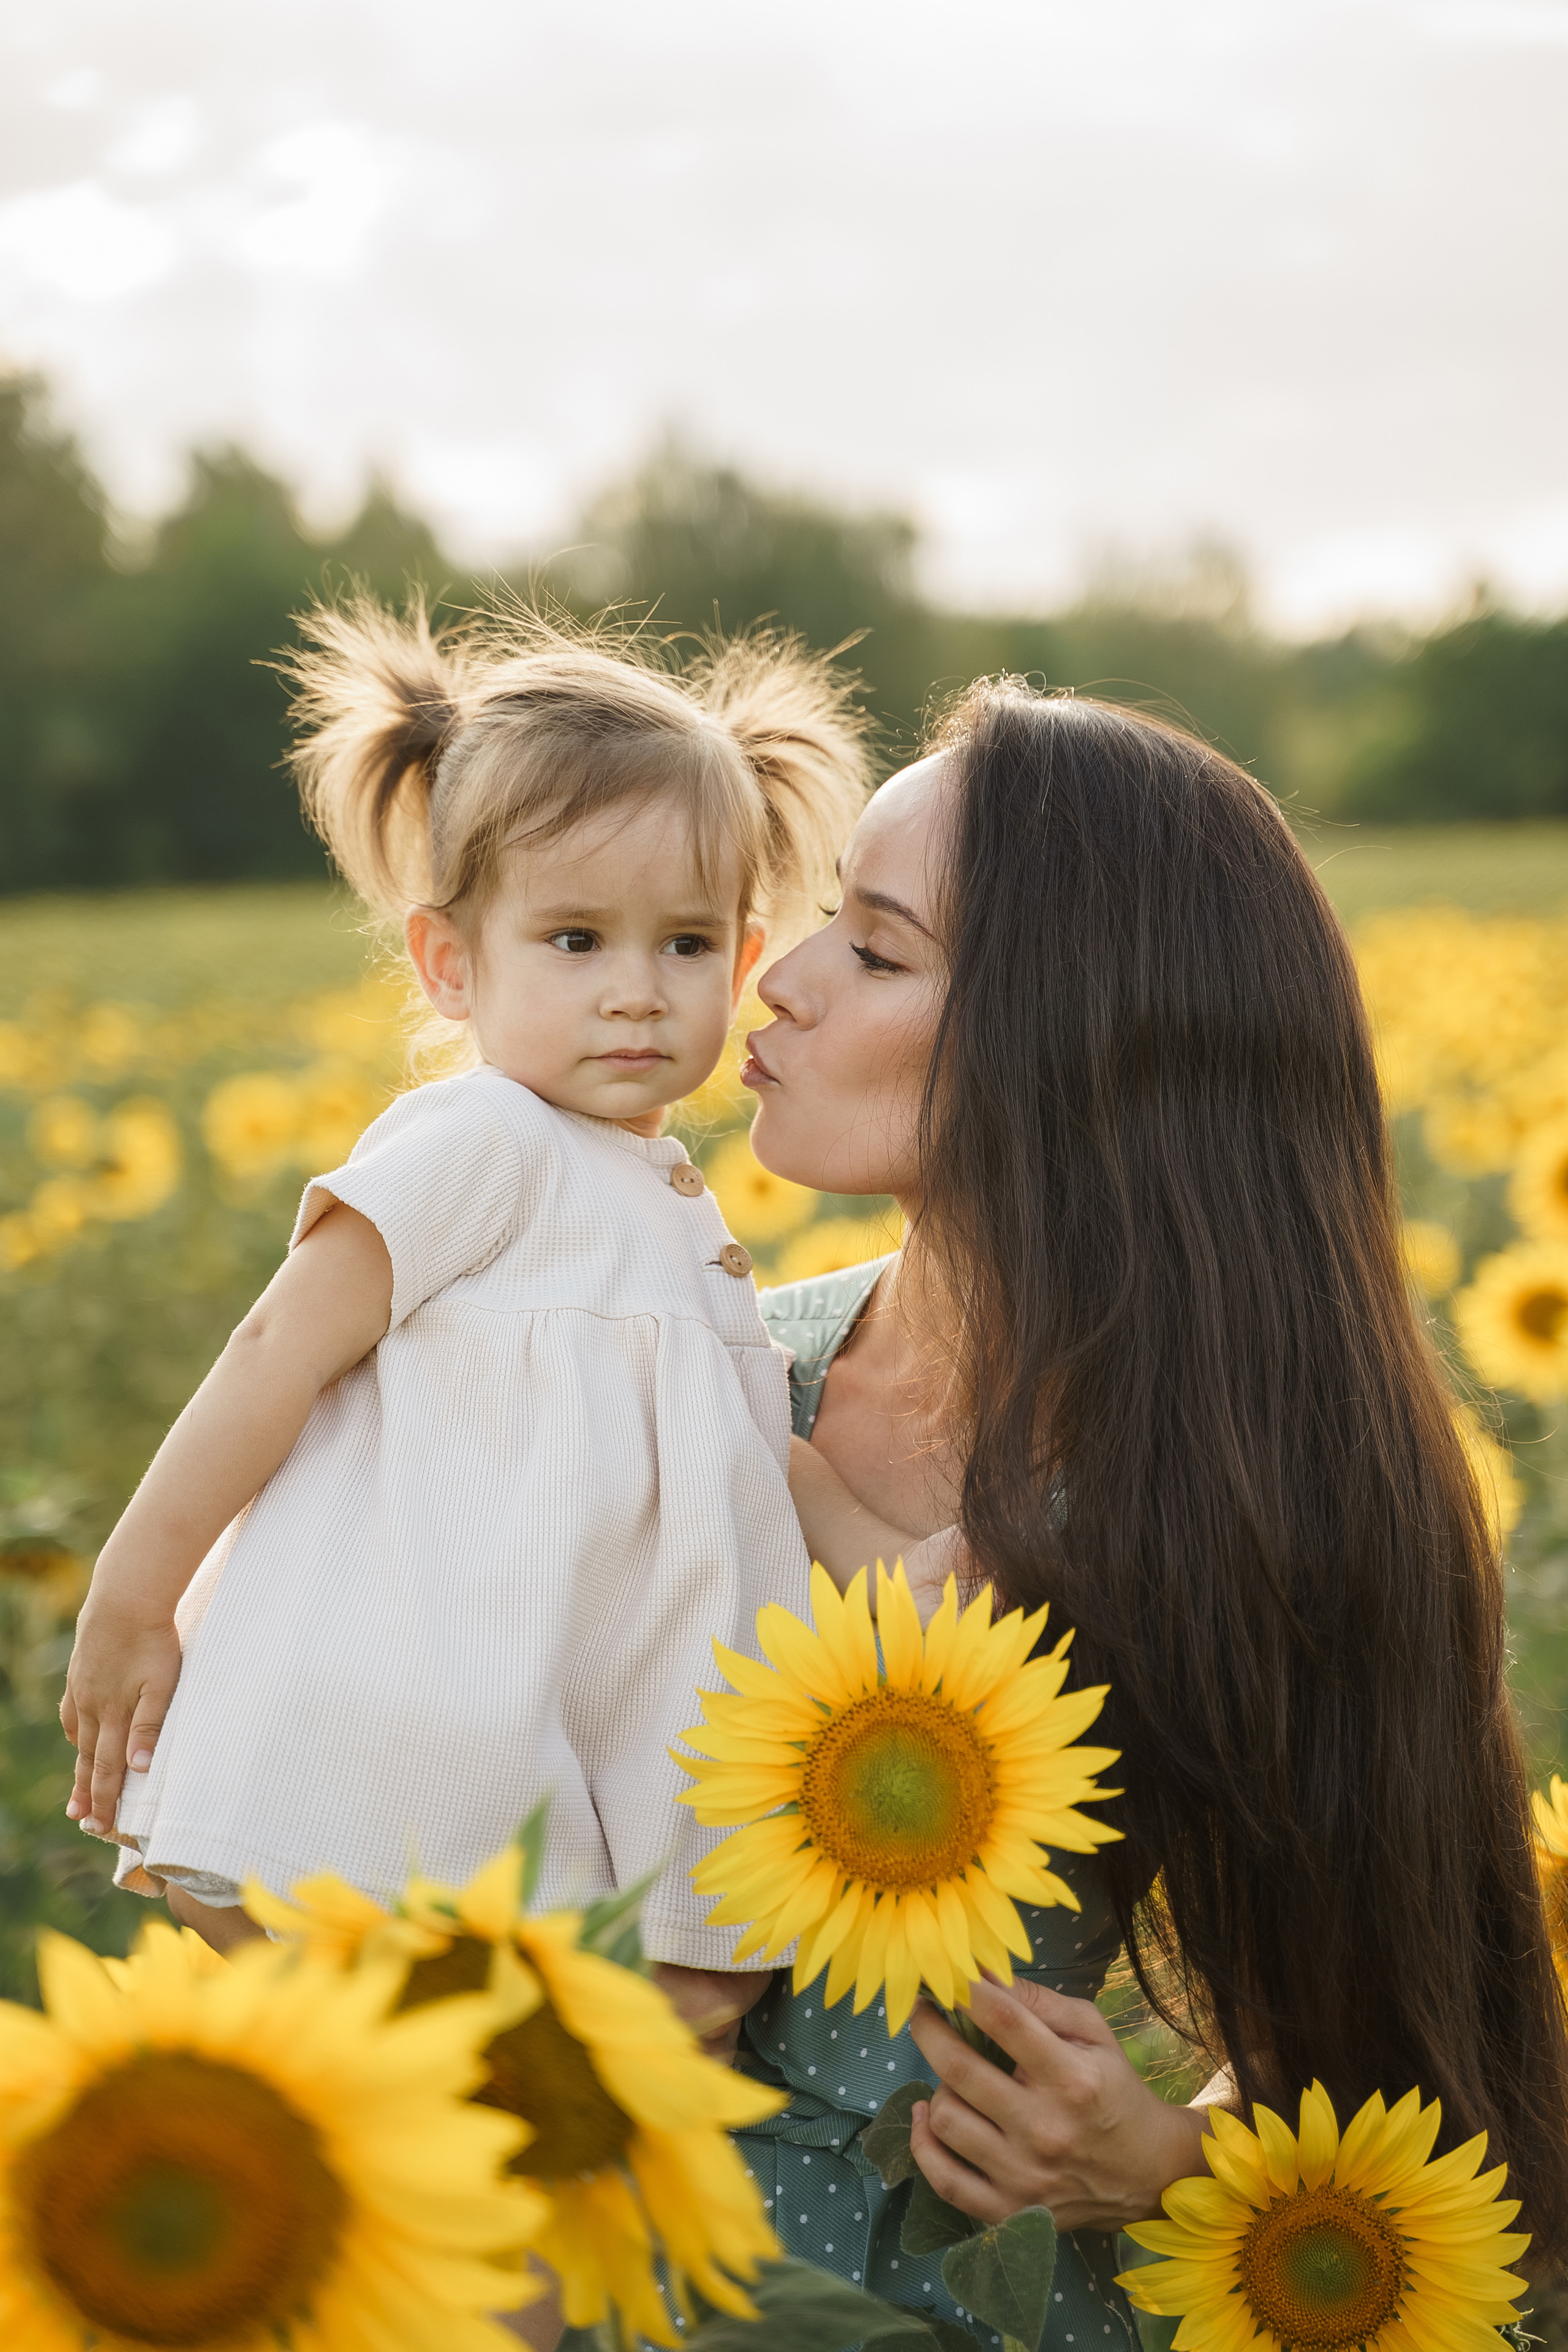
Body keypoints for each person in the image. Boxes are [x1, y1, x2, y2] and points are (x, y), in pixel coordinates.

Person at [725, 681, 1568, 2339]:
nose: (781, 979)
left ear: (1078, 1043)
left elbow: (1429, 2077)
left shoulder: (1236, 1489)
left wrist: (1164, 2159)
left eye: (876, 952)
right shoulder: (716, 1366)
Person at [60, 599, 869, 2043]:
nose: (637, 994)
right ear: (449, 964)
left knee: (662, 2016)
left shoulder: (663, 1200)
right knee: (463, 2025)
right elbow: (275, 1351)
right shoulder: (483, 1137)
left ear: (743, 959)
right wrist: (135, 1595)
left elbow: (746, 1452)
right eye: (576, 939)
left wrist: (902, 1562)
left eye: (685, 945)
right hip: (448, 1702)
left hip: (593, 1712)